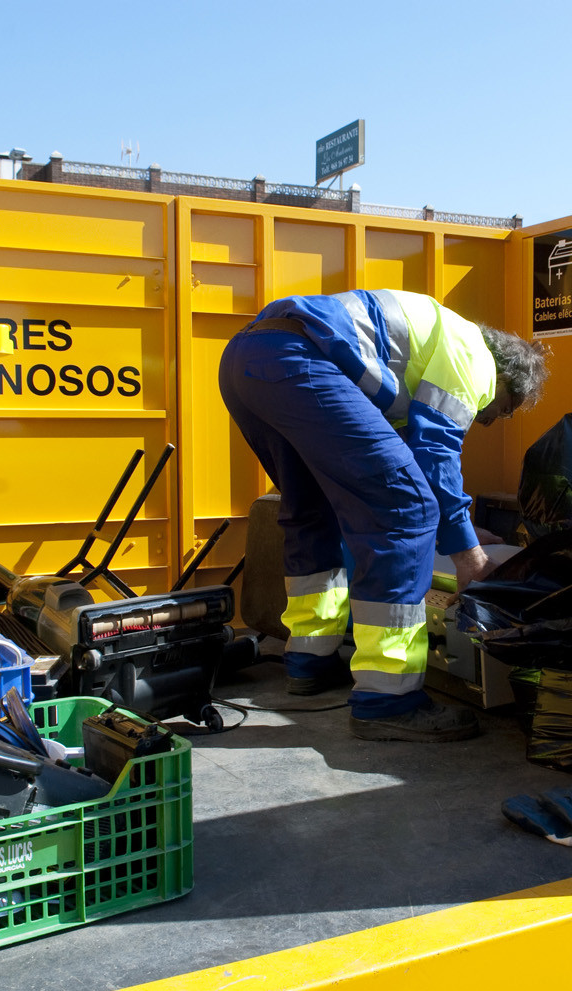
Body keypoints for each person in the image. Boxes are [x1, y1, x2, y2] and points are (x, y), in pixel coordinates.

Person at [218, 289, 549, 742]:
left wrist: (465, 529)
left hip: (247, 358)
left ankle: (309, 661)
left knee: (313, 509)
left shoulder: (425, 349)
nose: (491, 418)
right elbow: (432, 459)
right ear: (506, 379)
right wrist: (470, 560)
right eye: (505, 409)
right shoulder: (475, 358)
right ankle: (387, 699)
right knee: (405, 510)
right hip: (303, 361)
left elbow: (404, 458)